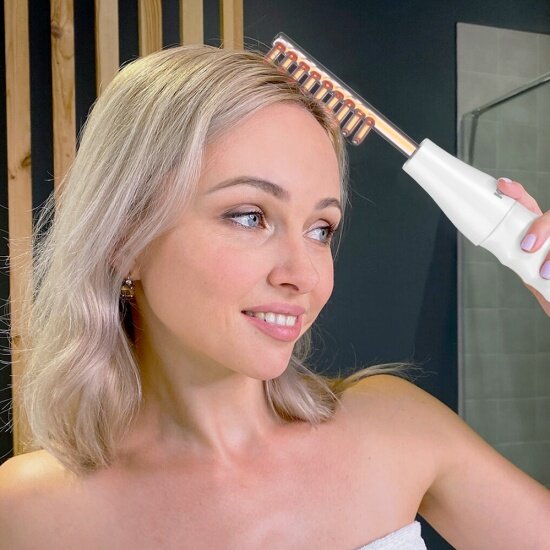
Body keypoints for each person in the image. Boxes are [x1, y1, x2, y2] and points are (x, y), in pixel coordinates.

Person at [0, 44, 549, 549]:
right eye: (249, 216)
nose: (303, 275)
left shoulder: (396, 430)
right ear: (125, 238)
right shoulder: (26, 512)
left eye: (321, 229)